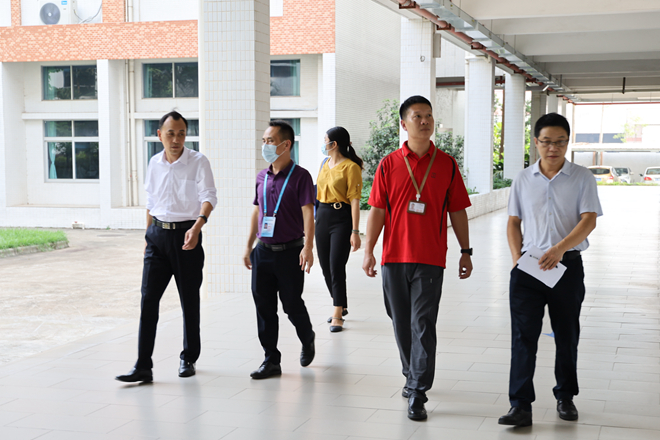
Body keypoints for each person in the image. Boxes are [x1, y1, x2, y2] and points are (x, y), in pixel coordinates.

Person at [362, 95, 473, 421]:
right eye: (417, 116)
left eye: (428, 116)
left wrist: (466, 251)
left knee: (422, 323)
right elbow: (377, 210)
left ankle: (418, 390)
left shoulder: (447, 164)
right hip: (394, 257)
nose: (424, 121)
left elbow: (458, 211)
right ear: (403, 123)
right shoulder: (389, 164)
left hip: (430, 258)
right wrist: (369, 250)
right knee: (400, 321)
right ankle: (411, 373)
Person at [498, 113, 602, 428]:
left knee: (566, 335)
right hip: (528, 269)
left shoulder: (582, 177)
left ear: (567, 143)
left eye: (559, 142)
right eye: (546, 142)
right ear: (536, 142)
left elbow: (589, 220)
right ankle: (520, 406)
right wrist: (516, 259)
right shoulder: (523, 179)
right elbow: (513, 222)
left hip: (567, 267)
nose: (553, 148)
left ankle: (565, 397)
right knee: (523, 337)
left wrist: (559, 249)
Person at [116, 111, 217, 383]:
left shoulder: (198, 161)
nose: (176, 139)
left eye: (181, 134)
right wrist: (147, 235)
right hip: (157, 238)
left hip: (187, 236)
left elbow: (209, 197)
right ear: (160, 134)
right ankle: (143, 365)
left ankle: (188, 357)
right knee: (148, 300)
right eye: (170, 133)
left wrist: (197, 226)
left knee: (189, 301)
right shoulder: (154, 162)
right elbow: (151, 201)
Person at [243, 120, 316, 379]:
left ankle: (307, 337)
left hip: (290, 252)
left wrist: (308, 247)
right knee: (264, 307)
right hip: (263, 251)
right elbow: (257, 212)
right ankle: (271, 359)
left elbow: (308, 213)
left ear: (286, 145)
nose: (265, 145)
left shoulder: (301, 176)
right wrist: (249, 246)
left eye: (270, 141)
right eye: (264, 141)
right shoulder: (261, 177)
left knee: (291, 304)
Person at [316, 126, 363, 332]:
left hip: (341, 219)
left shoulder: (351, 167)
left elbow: (354, 201)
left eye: (325, 140)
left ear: (334, 144)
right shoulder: (324, 163)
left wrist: (355, 231)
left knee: (336, 265)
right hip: (322, 216)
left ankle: (337, 313)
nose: (323, 143)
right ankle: (340, 303)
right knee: (325, 266)